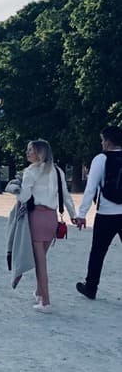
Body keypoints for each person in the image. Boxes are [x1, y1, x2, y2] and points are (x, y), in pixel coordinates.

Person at [17, 139, 76, 313]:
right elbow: (66, 196)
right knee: (41, 258)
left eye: (30, 150)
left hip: (36, 217)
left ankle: (46, 301)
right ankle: (39, 292)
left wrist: (15, 190)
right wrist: (74, 215)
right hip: (51, 219)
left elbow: (25, 196)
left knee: (40, 262)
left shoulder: (30, 172)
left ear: (39, 153)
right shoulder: (58, 171)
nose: (27, 153)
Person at [72, 125, 122, 300]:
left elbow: (90, 189)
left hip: (106, 213)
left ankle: (91, 287)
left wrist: (82, 214)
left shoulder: (100, 159)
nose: (101, 143)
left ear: (107, 141)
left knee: (98, 252)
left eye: (102, 140)